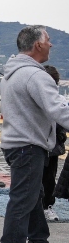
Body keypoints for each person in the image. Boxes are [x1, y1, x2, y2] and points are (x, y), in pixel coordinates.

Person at [0, 25, 69, 243]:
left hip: (15, 143)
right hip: (28, 145)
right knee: (23, 198)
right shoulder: (36, 76)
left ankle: (38, 241)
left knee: (33, 194)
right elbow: (58, 109)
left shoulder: (10, 73)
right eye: (48, 40)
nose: (51, 44)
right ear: (38, 45)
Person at [40, 65, 67, 221]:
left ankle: (47, 205)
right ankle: (40, 206)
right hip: (39, 144)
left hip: (52, 146)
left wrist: (60, 138)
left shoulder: (59, 101)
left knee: (49, 178)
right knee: (39, 178)